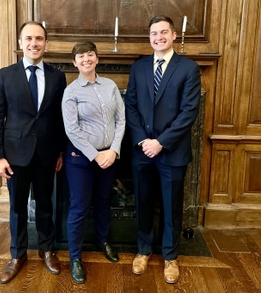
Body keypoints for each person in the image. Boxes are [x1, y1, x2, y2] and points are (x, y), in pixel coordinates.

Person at [124, 15, 201, 284]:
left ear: (173, 35)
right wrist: (144, 141)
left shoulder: (188, 68)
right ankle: (143, 251)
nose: (159, 37)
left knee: (171, 206)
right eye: (154, 33)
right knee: (143, 203)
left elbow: (188, 111)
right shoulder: (139, 68)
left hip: (172, 151)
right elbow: (130, 106)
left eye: (164, 32)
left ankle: (170, 257)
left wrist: (161, 142)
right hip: (142, 150)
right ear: (150, 37)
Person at [0, 21, 67, 284]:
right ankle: (17, 254)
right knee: (17, 208)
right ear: (20, 43)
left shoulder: (58, 76)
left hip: (46, 154)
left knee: (46, 205)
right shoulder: (4, 75)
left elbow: (58, 118)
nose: (34, 43)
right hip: (14, 155)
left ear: (46, 43)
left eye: (40, 39)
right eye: (29, 39)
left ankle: (47, 250)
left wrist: (59, 152)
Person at [62, 41, 126, 284]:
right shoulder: (71, 92)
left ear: (97, 59)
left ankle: (104, 241)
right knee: (79, 207)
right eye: (81, 56)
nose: (86, 59)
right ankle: (75, 258)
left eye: (90, 55)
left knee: (103, 201)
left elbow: (121, 120)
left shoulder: (110, 86)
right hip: (80, 159)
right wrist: (95, 154)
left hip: (108, 157)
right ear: (75, 62)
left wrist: (113, 150)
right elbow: (71, 129)